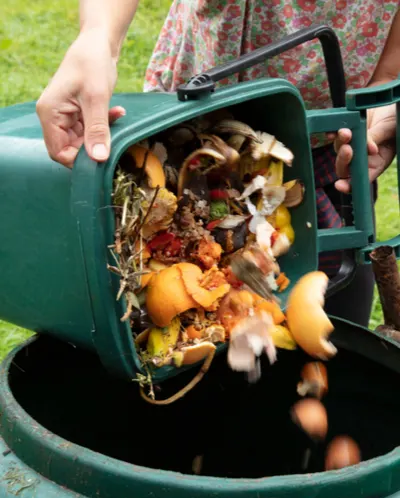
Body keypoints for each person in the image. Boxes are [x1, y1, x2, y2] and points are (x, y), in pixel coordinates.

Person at [36, 0, 400, 327]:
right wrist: (99, 37)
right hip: (182, 137)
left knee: (333, 328)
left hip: (330, 149)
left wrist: (387, 85)